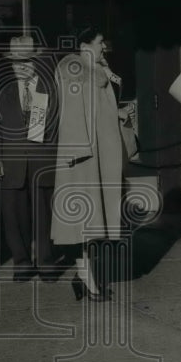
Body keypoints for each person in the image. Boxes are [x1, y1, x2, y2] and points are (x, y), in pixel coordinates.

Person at [50, 27, 133, 301]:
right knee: (83, 223)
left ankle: (85, 277)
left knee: (93, 224)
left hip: (98, 156)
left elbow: (98, 109)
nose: (104, 48)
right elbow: (73, 111)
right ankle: (87, 281)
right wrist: (101, 70)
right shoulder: (74, 66)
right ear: (84, 44)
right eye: (99, 43)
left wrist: (119, 107)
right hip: (82, 158)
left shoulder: (94, 70)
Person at [0, 35, 62, 282]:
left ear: (36, 62)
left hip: (42, 159)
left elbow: (58, 123)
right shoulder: (2, 91)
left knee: (44, 214)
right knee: (12, 214)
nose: (21, 67)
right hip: (11, 161)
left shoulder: (49, 88)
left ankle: (46, 261)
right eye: (16, 62)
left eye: (26, 62)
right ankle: (21, 262)